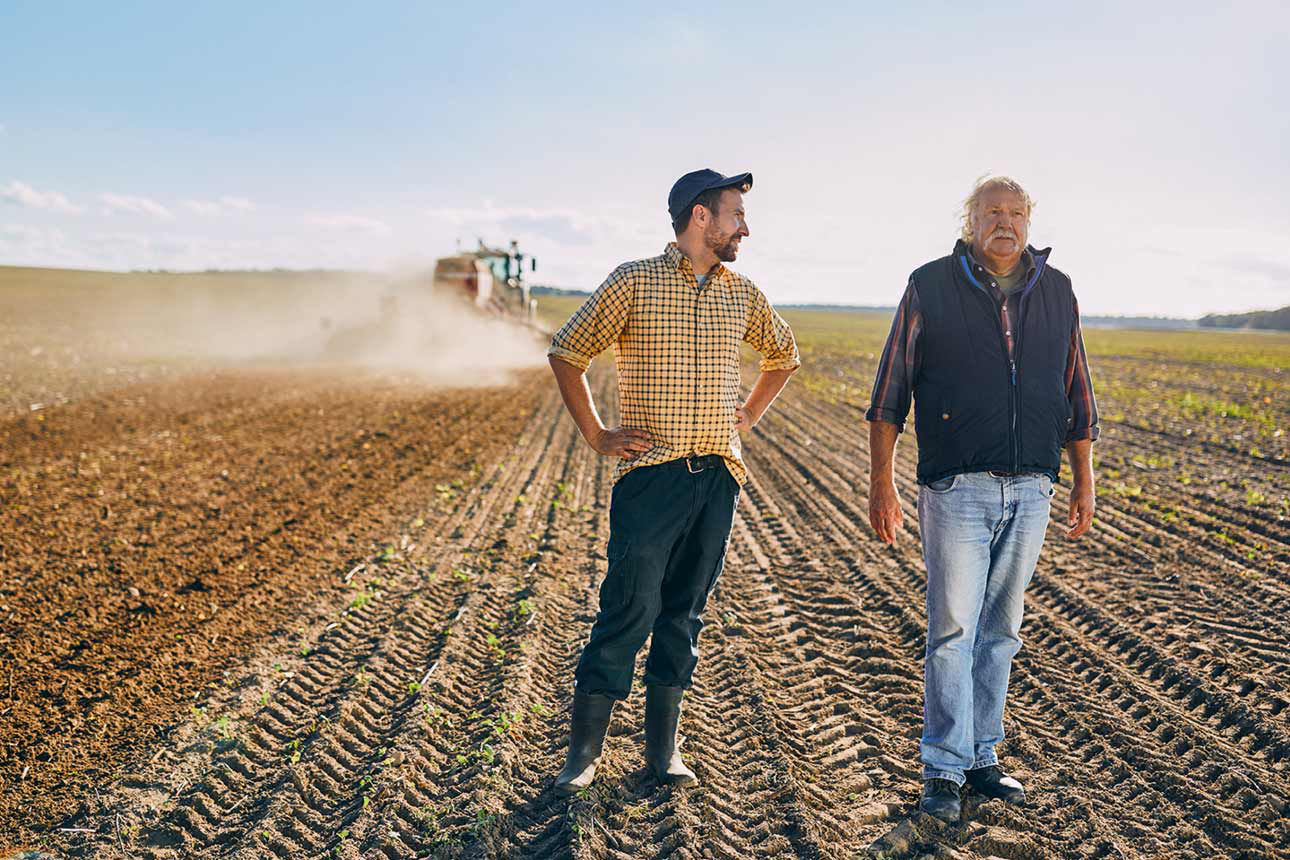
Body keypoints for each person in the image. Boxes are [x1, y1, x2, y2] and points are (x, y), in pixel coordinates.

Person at [547, 169, 800, 794]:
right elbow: (567, 350)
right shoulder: (635, 281)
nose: (745, 226)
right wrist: (598, 434)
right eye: (735, 213)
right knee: (629, 608)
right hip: (651, 477)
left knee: (684, 613)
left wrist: (748, 415)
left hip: (717, 476)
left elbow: (784, 355)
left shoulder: (742, 293)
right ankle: (583, 756)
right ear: (699, 218)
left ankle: (662, 752)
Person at [865, 176, 1099, 822]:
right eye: (991, 211)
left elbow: (1077, 393)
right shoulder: (929, 286)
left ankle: (982, 757)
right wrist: (880, 480)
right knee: (952, 632)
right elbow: (890, 392)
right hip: (956, 487)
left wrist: (1083, 476)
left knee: (1001, 631)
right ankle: (942, 768)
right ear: (968, 222)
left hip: (1032, 486)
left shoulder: (1059, 292)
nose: (1005, 221)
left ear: (1030, 221)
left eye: (1015, 212)